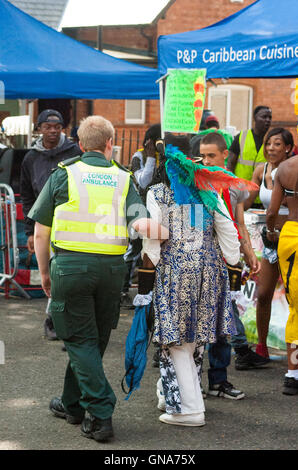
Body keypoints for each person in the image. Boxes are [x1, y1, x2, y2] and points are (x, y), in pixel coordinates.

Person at [29, 115, 168, 442]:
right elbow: (141, 224)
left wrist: (45, 273)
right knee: (91, 341)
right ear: (110, 144)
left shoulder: (64, 174)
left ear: (79, 144)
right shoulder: (123, 178)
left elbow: (39, 232)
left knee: (78, 341)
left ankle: (101, 410)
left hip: (71, 267)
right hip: (110, 271)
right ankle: (72, 405)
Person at [143, 135, 242, 426]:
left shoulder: (158, 193)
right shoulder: (208, 191)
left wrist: (153, 263)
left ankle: (188, 409)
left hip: (175, 271)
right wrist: (229, 257)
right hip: (211, 272)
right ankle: (174, 394)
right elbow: (229, 237)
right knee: (196, 340)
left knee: (176, 342)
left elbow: (153, 237)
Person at [199, 133, 267, 394]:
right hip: (200, 260)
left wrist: (249, 253)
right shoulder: (195, 183)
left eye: (211, 156)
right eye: (203, 156)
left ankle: (218, 380)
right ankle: (189, 383)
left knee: (222, 321)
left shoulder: (234, 186)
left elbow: (239, 222)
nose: (206, 160)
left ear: (225, 155)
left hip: (227, 261)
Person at [20, 109, 82, 340]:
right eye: (48, 126)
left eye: (57, 126)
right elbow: (27, 196)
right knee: (53, 274)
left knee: (62, 274)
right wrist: (29, 231)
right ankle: (55, 319)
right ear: (39, 129)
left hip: (71, 222)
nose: (53, 131)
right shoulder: (30, 158)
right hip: (43, 224)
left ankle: (54, 319)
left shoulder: (74, 152)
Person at [244, 128, 294, 359]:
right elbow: (245, 201)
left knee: (294, 297)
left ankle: (293, 352)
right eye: (268, 144)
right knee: (263, 294)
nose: (271, 148)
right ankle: (261, 347)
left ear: (288, 148)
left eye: (277, 144)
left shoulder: (292, 170)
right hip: (270, 238)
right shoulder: (260, 170)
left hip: (291, 236)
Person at [266, 154, 298, 395]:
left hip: (291, 236)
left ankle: (293, 374)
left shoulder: (286, 167)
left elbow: (272, 212)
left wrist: (269, 231)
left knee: (296, 306)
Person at [120, 124, 162, 309]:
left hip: (160, 210)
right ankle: (122, 290)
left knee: (153, 251)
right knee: (134, 250)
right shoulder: (139, 157)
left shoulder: (167, 156)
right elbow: (143, 182)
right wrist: (151, 156)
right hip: (140, 210)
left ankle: (151, 291)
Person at [227, 106, 272, 188]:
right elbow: (230, 163)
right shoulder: (241, 136)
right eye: (264, 117)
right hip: (241, 191)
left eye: (270, 117)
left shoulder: (272, 140)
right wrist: (231, 185)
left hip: (263, 193)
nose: (268, 120)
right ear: (255, 118)